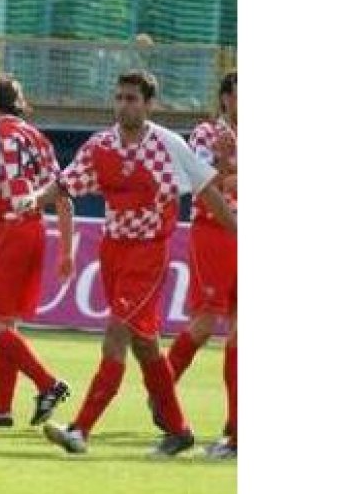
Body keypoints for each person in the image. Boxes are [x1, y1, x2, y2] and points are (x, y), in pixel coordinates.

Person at [30, 70, 237, 457]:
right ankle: (178, 430)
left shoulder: (168, 144)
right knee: (146, 346)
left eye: (132, 98)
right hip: (113, 249)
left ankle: (80, 429)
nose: (124, 104)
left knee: (117, 333)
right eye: (120, 97)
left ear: (148, 104)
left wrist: (238, 228)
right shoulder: (101, 144)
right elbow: (66, 182)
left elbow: (208, 191)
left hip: (149, 251)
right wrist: (33, 200)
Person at [0, 74, 75, 429]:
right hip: (34, 228)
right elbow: (63, 195)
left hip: (5, 226)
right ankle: (2, 409)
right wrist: (67, 250)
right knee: (6, 322)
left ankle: (47, 383)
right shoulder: (37, 137)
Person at [158, 70, 237, 459]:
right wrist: (225, 162)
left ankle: (237, 427)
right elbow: (206, 188)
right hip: (214, 234)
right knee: (205, 324)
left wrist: (228, 173)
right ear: (225, 98)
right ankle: (163, 394)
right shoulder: (206, 134)